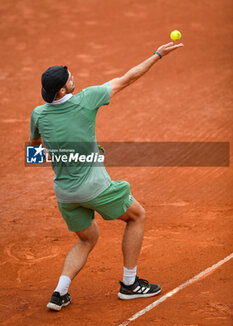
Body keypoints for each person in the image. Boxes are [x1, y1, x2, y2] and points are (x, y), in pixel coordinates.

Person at [29, 41, 184, 311]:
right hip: (94, 188)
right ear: (63, 89)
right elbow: (128, 77)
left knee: (87, 238)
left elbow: (34, 154)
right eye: (70, 78)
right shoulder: (87, 99)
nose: (74, 77)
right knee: (137, 215)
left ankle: (59, 293)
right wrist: (158, 55)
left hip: (65, 194)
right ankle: (130, 284)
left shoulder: (39, 114)